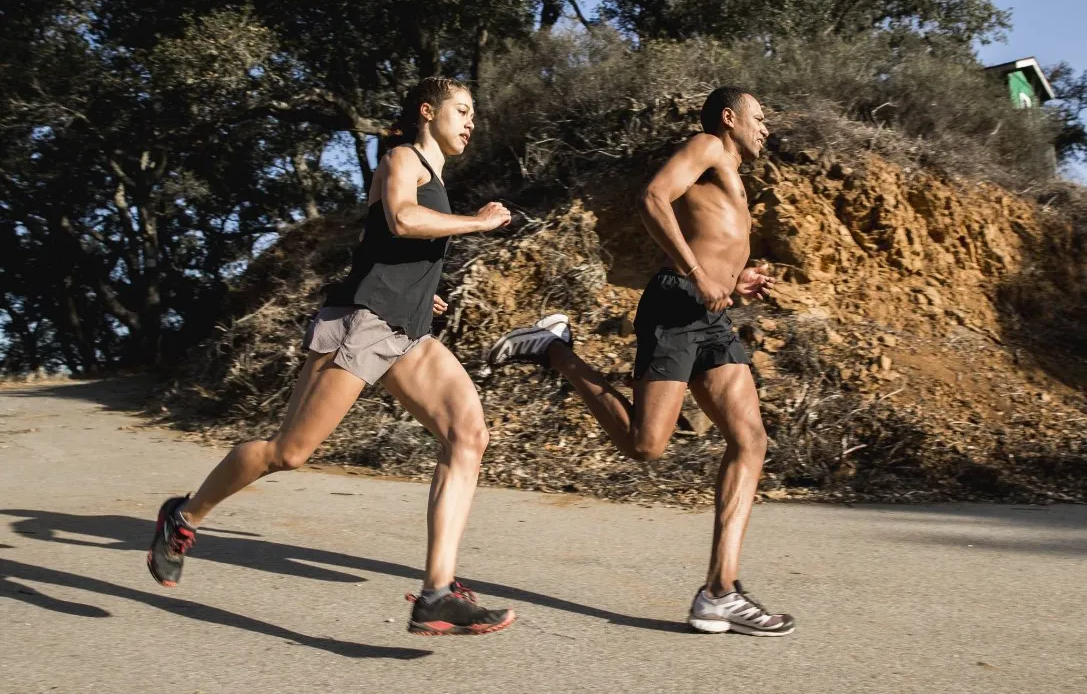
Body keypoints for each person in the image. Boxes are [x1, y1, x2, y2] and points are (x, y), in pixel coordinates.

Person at [148, 77, 517, 636]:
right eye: (461, 110)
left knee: (469, 435)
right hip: (363, 323)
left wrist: (423, 286)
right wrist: (478, 222)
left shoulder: (435, 173)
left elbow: (389, 245)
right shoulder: (403, 157)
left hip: (407, 329)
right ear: (426, 112)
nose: (470, 121)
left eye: (473, 113)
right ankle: (184, 516)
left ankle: (437, 593)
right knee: (288, 452)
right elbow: (401, 219)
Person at [487, 86, 794, 636]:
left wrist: (734, 281)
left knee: (751, 441)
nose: (766, 127)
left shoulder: (733, 172)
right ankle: (554, 347)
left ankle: (719, 592)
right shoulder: (706, 146)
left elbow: (712, 241)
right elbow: (653, 198)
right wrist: (700, 276)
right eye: (760, 116)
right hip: (676, 306)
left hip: (713, 318)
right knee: (645, 445)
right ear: (730, 118)